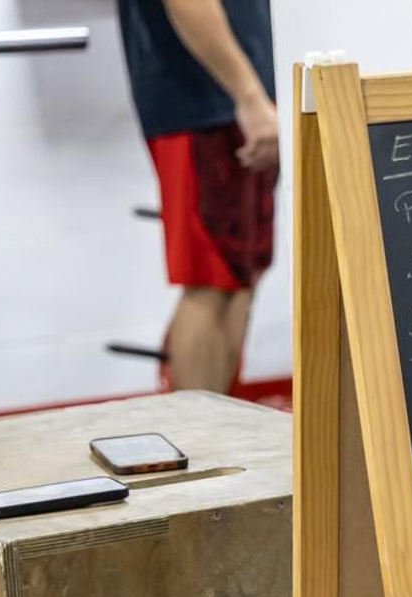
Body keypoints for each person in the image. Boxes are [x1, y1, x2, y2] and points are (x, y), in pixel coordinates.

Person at [119, 0, 278, 393]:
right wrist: (248, 95)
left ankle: (218, 435)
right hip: (201, 107)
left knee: (241, 276)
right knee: (210, 281)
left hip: (234, 103)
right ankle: (197, 444)